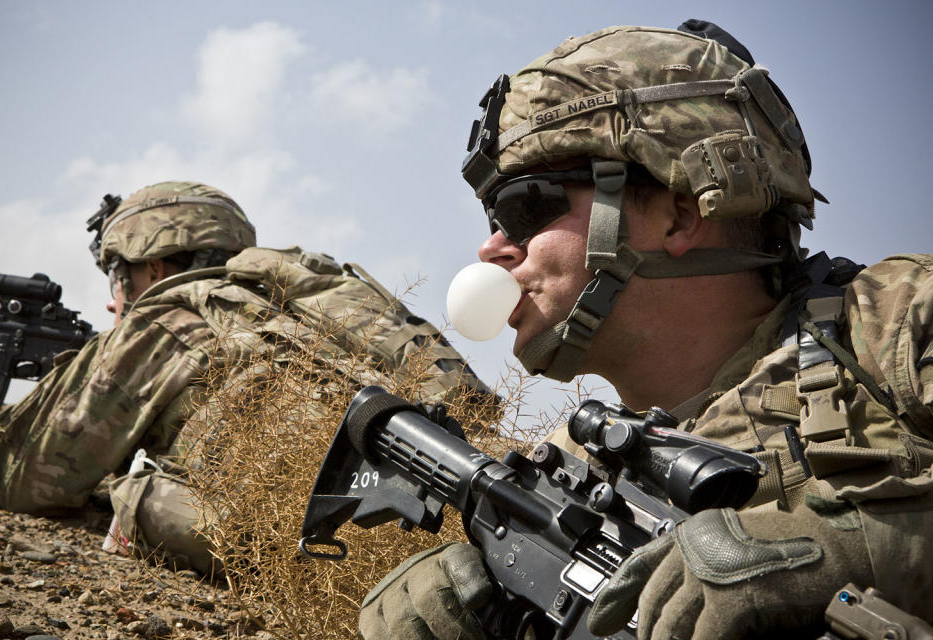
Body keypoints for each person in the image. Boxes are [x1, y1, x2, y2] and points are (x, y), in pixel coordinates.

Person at [358, 20, 933, 639]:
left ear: (679, 214)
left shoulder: (894, 326)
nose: (492, 248)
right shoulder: (572, 471)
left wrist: (857, 547)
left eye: (523, 209)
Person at [0, 180, 491, 575]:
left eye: (119, 274)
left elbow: (14, 482)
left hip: (326, 552)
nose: (114, 298)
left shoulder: (168, 319)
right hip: (456, 522)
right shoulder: (305, 313)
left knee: (137, 493)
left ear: (153, 268)